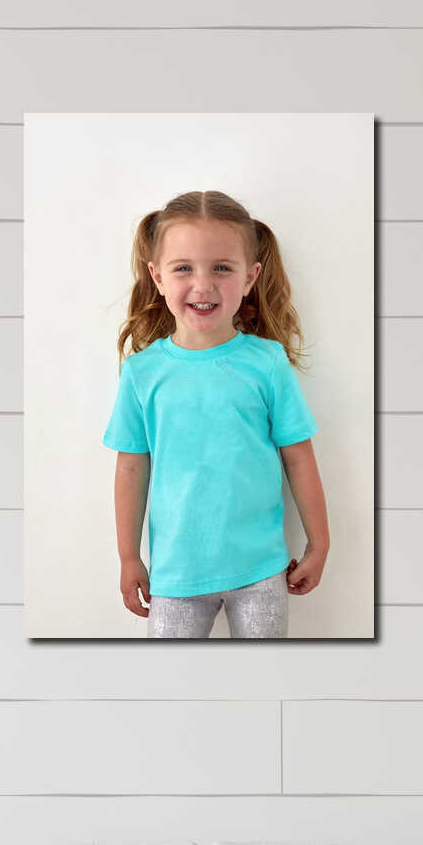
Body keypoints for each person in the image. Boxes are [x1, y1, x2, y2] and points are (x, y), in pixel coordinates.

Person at [102, 190, 330, 639]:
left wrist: (319, 543)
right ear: (157, 277)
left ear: (250, 277)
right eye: (183, 268)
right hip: (175, 575)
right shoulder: (142, 373)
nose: (203, 284)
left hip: (262, 571)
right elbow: (131, 467)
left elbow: (299, 458)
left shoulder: (267, 363)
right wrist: (129, 556)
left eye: (222, 268)